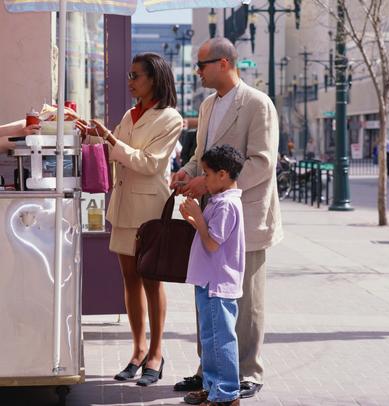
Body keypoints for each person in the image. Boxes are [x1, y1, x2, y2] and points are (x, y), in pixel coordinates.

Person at [170, 37, 283, 402]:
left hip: (246, 216)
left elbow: (263, 162)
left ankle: (247, 372)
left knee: (246, 300)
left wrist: (212, 183)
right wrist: (187, 174)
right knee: (208, 292)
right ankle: (210, 372)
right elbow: (201, 155)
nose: (197, 72)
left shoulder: (257, 104)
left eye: (201, 65)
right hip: (212, 216)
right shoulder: (206, 106)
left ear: (224, 63)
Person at [76, 53, 183, 386]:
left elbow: (149, 163)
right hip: (123, 207)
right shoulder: (131, 113)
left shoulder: (171, 119)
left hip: (149, 210)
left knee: (151, 279)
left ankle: (156, 352)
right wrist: (88, 135)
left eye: (135, 75)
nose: (130, 80)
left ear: (154, 79)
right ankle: (137, 351)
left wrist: (108, 137)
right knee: (130, 279)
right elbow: (114, 150)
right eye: (130, 74)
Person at [179, 144, 245, 406]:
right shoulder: (220, 201)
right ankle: (213, 387)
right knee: (210, 339)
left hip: (218, 283)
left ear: (223, 174)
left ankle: (227, 393)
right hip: (209, 281)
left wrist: (197, 217)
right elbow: (208, 235)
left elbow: (212, 243)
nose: (203, 179)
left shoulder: (227, 205)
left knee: (221, 339)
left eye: (206, 174)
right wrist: (193, 219)